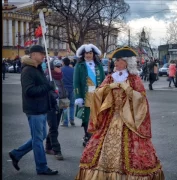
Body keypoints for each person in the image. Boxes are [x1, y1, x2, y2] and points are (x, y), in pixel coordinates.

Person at [75, 47, 165, 180]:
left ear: (127, 63)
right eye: (115, 61)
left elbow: (141, 99)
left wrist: (127, 89)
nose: (115, 64)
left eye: (119, 61)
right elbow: (98, 93)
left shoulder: (134, 79)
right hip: (111, 118)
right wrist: (108, 88)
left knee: (133, 150)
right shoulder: (111, 78)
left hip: (129, 120)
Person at [8, 45, 58, 175]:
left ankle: (16, 153)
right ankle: (41, 167)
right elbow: (29, 91)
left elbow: (42, 87)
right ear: (34, 54)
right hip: (34, 109)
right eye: (41, 54)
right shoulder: (28, 70)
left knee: (39, 137)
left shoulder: (37, 68)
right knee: (37, 139)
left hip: (41, 108)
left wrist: (50, 94)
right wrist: (47, 86)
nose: (43, 56)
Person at [73, 44, 105, 147]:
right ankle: (87, 136)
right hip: (86, 95)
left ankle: (96, 136)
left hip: (97, 95)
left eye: (90, 53)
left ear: (93, 54)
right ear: (83, 54)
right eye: (86, 53)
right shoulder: (79, 65)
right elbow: (76, 82)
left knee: (97, 116)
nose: (88, 55)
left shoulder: (98, 65)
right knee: (86, 118)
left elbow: (104, 81)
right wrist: (78, 96)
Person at [45, 59, 69, 160]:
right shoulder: (48, 78)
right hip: (50, 106)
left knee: (54, 127)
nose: (60, 68)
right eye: (57, 66)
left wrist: (66, 96)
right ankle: (57, 150)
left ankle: (48, 146)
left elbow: (63, 90)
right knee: (54, 128)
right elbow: (48, 92)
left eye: (60, 66)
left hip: (60, 105)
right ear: (52, 68)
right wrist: (53, 95)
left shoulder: (60, 77)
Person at [61, 57, 75, 126]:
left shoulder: (61, 70)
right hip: (72, 88)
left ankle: (65, 121)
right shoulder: (73, 70)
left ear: (63, 62)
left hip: (64, 89)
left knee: (65, 106)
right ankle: (72, 119)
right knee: (72, 105)